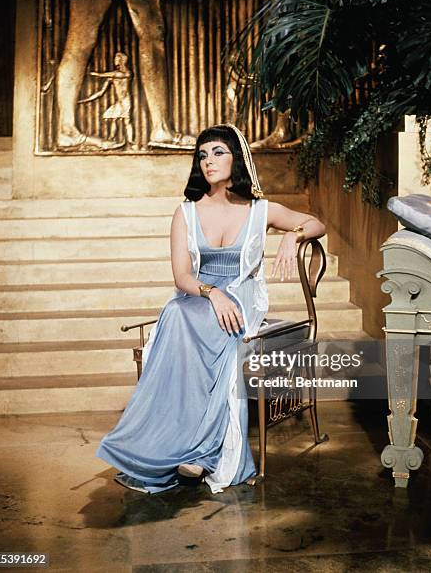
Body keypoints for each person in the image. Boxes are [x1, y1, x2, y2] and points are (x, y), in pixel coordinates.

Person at [95, 123, 326, 494]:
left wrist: (291, 235)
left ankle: (202, 452)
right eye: (202, 155)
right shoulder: (185, 213)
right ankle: (167, 445)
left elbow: (317, 223)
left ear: (237, 158)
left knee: (196, 321)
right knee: (177, 314)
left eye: (218, 152)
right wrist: (211, 292)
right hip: (199, 298)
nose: (208, 161)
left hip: (242, 300)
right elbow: (181, 275)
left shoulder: (260, 210)